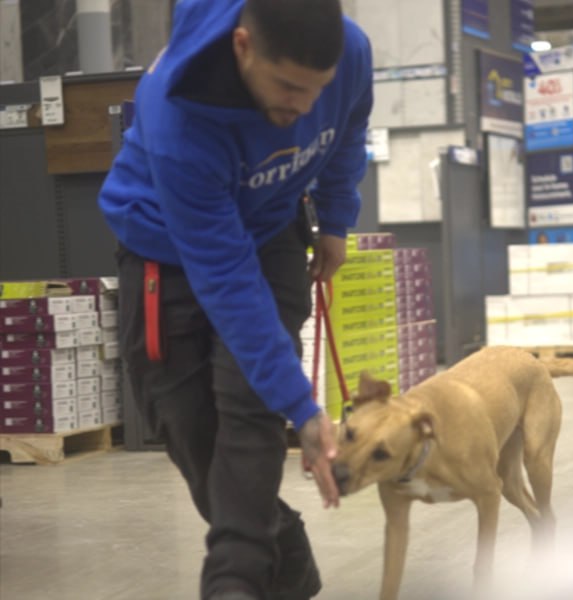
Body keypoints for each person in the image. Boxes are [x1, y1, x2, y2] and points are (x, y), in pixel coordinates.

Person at [98, 0, 373, 598]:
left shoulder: (349, 53)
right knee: (191, 433)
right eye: (288, 87)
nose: (303, 109)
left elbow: (349, 128)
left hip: (273, 229)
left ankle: (235, 584)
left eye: (316, 89)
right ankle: (287, 561)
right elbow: (226, 279)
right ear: (243, 47)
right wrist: (304, 409)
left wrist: (335, 218)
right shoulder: (177, 113)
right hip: (163, 248)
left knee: (248, 409)